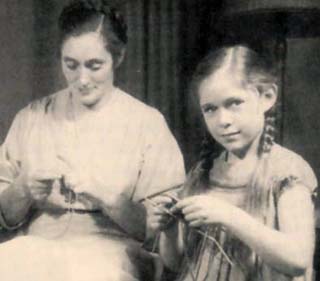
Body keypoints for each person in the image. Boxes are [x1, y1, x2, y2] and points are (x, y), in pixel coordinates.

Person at [0, 1, 185, 280]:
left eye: (94, 66)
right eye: (71, 65)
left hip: (111, 254)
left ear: (118, 58)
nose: (82, 79)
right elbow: (6, 216)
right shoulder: (32, 117)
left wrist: (106, 196)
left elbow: (160, 229)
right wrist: (23, 188)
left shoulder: (146, 124)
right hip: (35, 249)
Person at [149, 45, 317, 281]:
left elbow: (298, 260)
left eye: (234, 103)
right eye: (210, 109)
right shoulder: (203, 172)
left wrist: (228, 215)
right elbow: (177, 264)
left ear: (267, 97)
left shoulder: (287, 172)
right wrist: (168, 231)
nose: (223, 120)